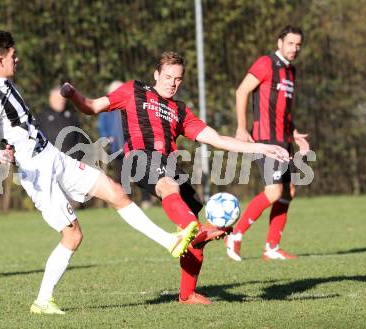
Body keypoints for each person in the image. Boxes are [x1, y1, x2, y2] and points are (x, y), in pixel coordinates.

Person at [0, 31, 199, 314]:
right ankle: (42, 301)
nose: (18, 59)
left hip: (52, 156)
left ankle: (169, 242)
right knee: (73, 236)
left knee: (115, 191)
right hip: (37, 171)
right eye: (14, 56)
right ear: (0, 60)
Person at [60, 51, 290, 304]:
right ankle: (196, 230)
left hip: (168, 164)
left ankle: (187, 292)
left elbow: (217, 139)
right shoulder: (133, 91)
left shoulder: (180, 111)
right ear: (156, 74)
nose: (172, 83)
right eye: (168, 77)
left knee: (194, 233)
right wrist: (73, 95)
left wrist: (261, 147)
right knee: (170, 188)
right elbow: (91, 107)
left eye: (178, 79)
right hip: (139, 158)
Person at [224, 25, 310, 261]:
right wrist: (241, 128)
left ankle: (271, 247)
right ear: (280, 42)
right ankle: (235, 235)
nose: (295, 48)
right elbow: (242, 91)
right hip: (265, 139)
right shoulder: (265, 63)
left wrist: (294, 133)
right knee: (273, 192)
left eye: (298, 44)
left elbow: (283, 110)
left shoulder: (291, 72)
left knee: (288, 191)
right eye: (291, 43)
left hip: (283, 140)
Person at [37, 86, 87, 161]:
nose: (62, 101)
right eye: (58, 99)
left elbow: (80, 139)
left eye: (63, 99)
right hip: (50, 162)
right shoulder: (42, 118)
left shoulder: (72, 116)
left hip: (72, 162)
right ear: (51, 99)